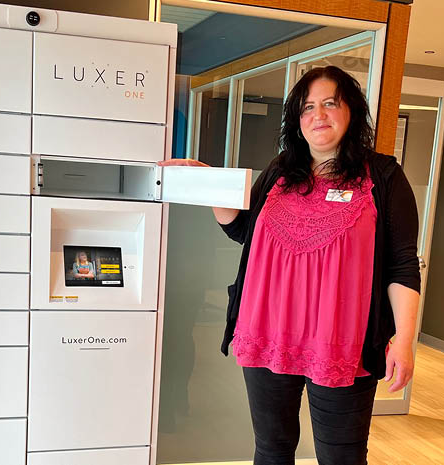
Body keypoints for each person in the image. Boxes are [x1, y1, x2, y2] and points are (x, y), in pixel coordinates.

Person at [159, 65, 420, 465]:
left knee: (342, 457)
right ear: (297, 121)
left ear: (351, 110)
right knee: (272, 449)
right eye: (307, 107)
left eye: (330, 103)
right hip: (268, 332)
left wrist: (403, 339)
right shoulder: (282, 170)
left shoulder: (383, 175)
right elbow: (244, 230)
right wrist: (209, 181)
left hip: (341, 343)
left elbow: (402, 264)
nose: (318, 115)